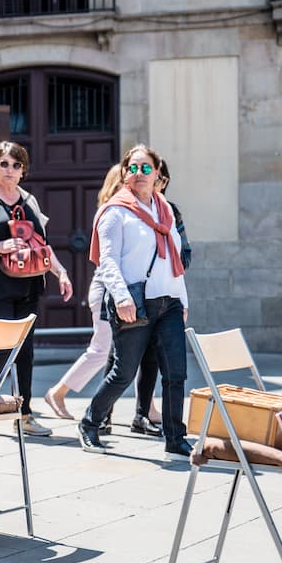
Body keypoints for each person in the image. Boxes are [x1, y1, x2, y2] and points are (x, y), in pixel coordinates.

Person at [77, 144, 191, 460]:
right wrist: (122, 297)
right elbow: (107, 262)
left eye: (145, 168)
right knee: (123, 373)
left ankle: (175, 437)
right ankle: (90, 422)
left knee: (176, 372)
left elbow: (176, 262)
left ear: (157, 174)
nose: (138, 174)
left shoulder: (166, 211)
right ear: (125, 173)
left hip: (168, 302)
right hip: (134, 303)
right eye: (133, 168)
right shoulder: (116, 212)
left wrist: (183, 300)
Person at [0, 141, 73, 437]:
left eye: (16, 165)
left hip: (30, 285)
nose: (10, 170)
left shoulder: (29, 201)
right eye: (4, 164)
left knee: (25, 351)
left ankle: (25, 414)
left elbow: (42, 246)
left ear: (23, 171)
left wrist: (61, 272)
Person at [42, 163, 124, 422]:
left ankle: (137, 410)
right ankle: (58, 392)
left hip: (115, 291)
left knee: (122, 352)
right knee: (101, 350)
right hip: (105, 292)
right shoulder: (111, 211)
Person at [123, 158, 192, 436]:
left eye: (160, 180)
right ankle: (97, 418)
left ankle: (150, 417)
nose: (155, 184)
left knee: (162, 362)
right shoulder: (126, 207)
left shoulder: (171, 212)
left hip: (167, 295)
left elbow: (184, 254)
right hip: (134, 296)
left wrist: (180, 295)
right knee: (122, 362)